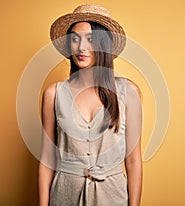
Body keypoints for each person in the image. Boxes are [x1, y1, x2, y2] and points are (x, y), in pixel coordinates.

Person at [39, 4, 143, 206]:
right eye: (75, 39)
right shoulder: (54, 94)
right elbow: (46, 161)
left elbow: (133, 161)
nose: (81, 47)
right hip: (64, 195)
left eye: (90, 39)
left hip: (113, 197)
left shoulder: (128, 92)